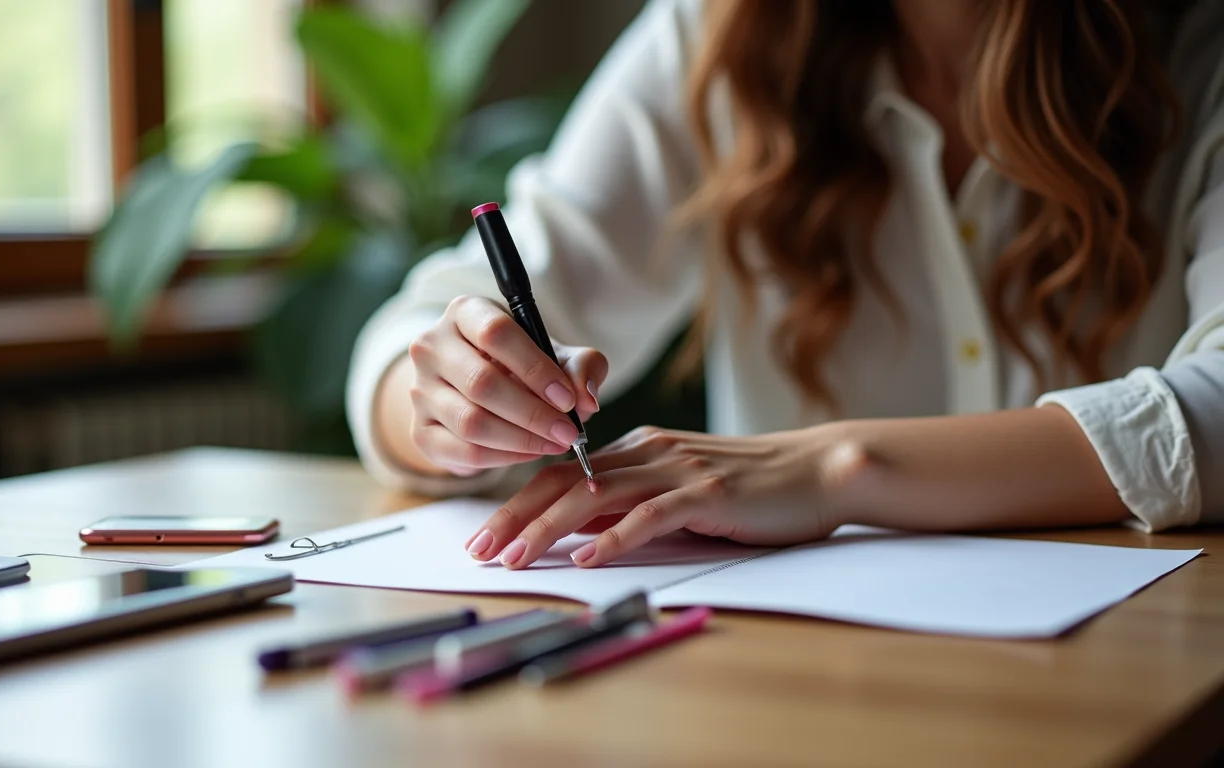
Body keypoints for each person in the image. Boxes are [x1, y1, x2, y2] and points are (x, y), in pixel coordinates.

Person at [348, 0, 1224, 570]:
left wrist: (838, 470)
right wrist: (448, 398)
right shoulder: (720, 35)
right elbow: (418, 331)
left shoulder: (1197, 49)